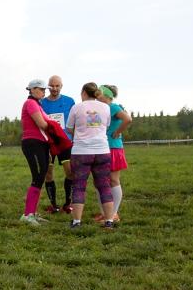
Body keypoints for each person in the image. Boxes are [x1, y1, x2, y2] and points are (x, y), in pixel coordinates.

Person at [65, 82, 116, 230]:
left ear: (83, 92)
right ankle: (109, 221)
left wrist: (79, 134)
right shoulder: (106, 107)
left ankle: (76, 222)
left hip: (81, 152)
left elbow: (69, 128)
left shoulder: (76, 107)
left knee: (79, 186)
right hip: (102, 151)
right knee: (104, 186)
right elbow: (106, 126)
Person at [96, 85, 131, 224]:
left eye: (99, 94)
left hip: (113, 147)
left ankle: (113, 213)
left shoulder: (113, 107)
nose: (97, 96)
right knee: (100, 181)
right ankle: (104, 213)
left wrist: (117, 132)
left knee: (113, 180)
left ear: (106, 96)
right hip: (102, 147)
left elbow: (128, 119)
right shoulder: (101, 108)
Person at [40, 76, 75, 213]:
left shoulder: (69, 101)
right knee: (48, 174)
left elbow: (75, 120)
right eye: (52, 86)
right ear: (48, 86)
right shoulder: (41, 102)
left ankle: (68, 204)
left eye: (57, 86)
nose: (54, 88)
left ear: (61, 86)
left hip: (65, 142)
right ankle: (53, 205)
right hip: (48, 142)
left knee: (70, 172)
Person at [19, 80, 52, 225]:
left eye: (45, 89)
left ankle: (32, 212)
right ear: (32, 89)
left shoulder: (38, 104)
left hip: (41, 143)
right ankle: (27, 215)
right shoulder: (30, 103)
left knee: (41, 176)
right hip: (33, 143)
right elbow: (42, 124)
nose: (44, 92)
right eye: (41, 89)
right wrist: (54, 127)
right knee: (38, 177)